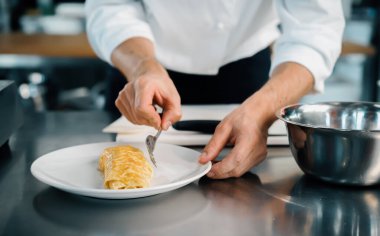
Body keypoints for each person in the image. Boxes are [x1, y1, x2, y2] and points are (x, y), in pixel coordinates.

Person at [85, 0, 345, 179]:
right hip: (139, 68)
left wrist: (262, 111)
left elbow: (316, 27)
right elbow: (111, 6)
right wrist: (143, 67)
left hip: (251, 80)